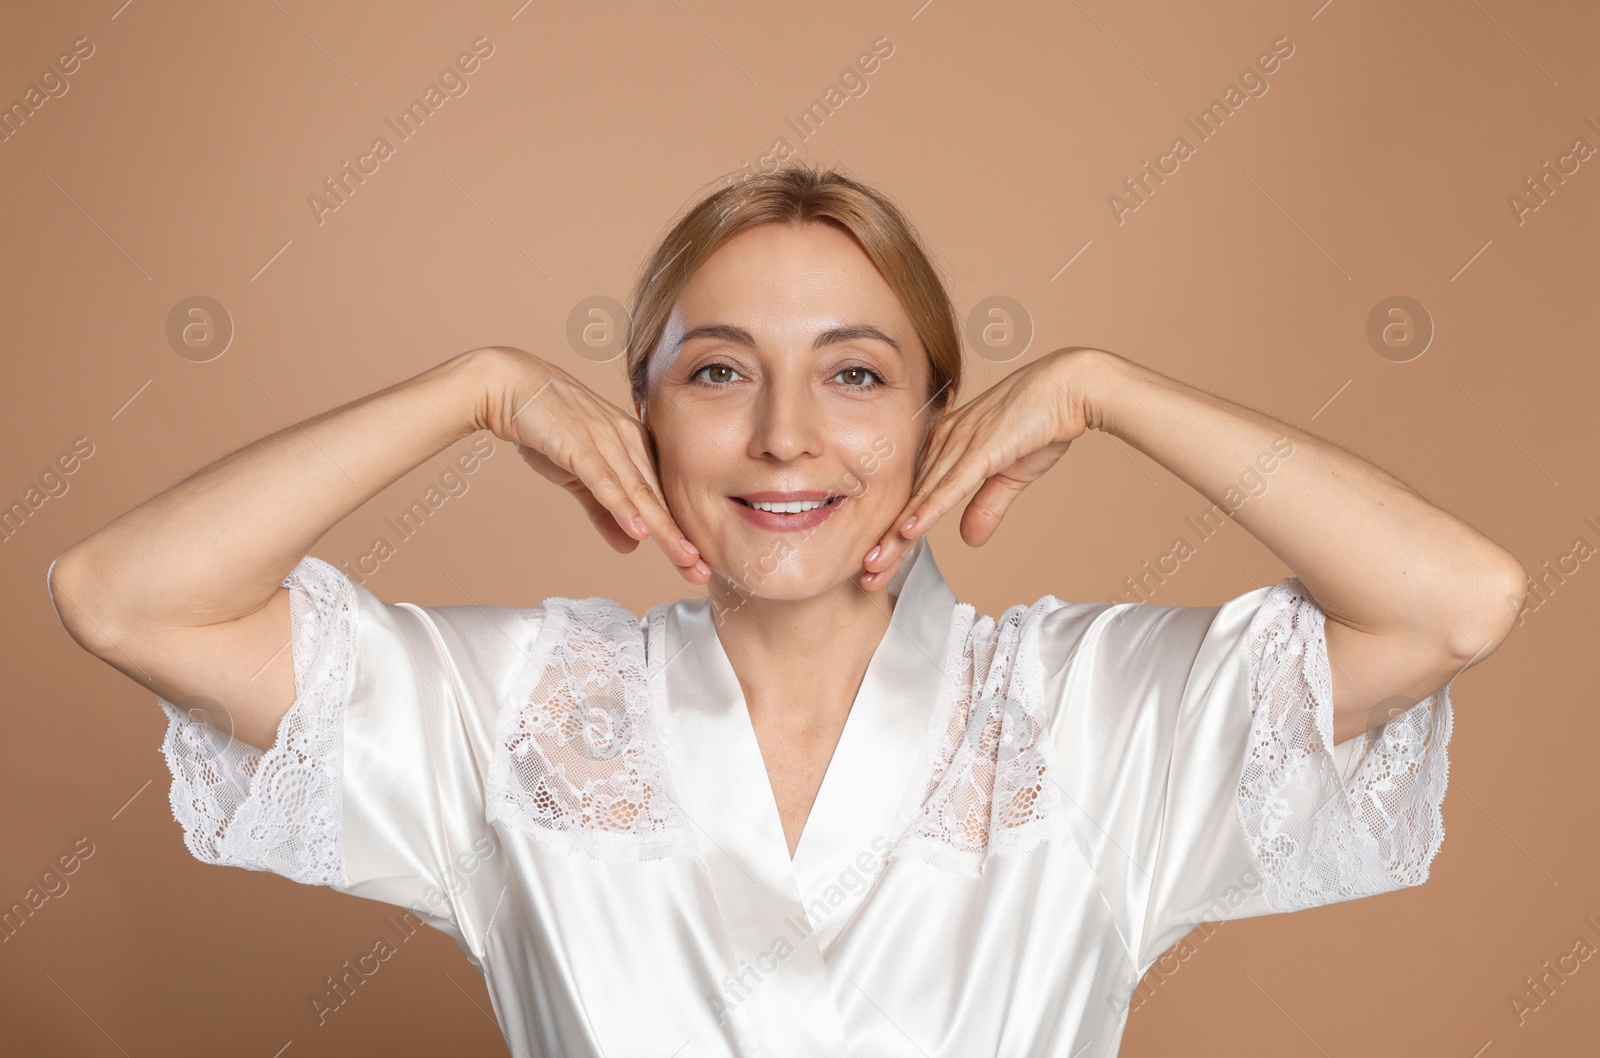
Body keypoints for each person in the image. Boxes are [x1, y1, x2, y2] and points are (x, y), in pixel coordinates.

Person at [48, 165, 1526, 1057]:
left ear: (947, 415)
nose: (786, 434)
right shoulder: (515, 713)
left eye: (859, 371)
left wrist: (1104, 386)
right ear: (639, 420)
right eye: (717, 370)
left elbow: (1457, 600)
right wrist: (476, 388)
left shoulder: (1083, 710)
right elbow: (121, 594)